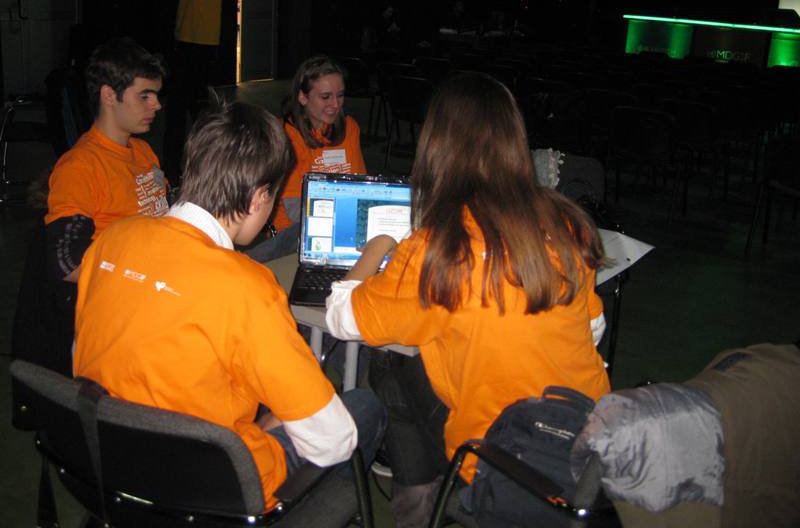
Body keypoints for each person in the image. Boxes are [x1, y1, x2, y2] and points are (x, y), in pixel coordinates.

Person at [72, 100, 385, 516]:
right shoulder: (246, 286)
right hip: (214, 485)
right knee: (363, 408)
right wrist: (268, 426)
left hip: (112, 464)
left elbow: (86, 356)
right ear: (258, 198)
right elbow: (332, 442)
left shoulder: (111, 241)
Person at [326, 72, 611, 527]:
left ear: (437, 147)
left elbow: (342, 318)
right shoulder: (566, 223)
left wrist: (377, 249)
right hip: (588, 449)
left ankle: (419, 503)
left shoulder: (437, 249)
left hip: (502, 459)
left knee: (390, 361)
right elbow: (593, 329)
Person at [45, 37, 169, 285]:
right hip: (128, 289)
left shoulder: (144, 152)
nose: (156, 105)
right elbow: (68, 264)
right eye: (145, 96)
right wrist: (143, 276)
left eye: (155, 95)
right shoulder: (80, 167)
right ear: (109, 96)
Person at [245, 55, 367, 262]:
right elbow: (295, 211)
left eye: (340, 95)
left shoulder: (350, 128)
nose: (335, 104)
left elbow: (361, 187)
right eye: (325, 97)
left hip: (341, 228)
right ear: (303, 97)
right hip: (294, 235)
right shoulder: (286, 135)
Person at [162, 0, 222, 184]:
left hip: (196, 42)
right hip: (194, 41)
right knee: (191, 108)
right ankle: (198, 167)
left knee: (179, 109)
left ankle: (173, 170)